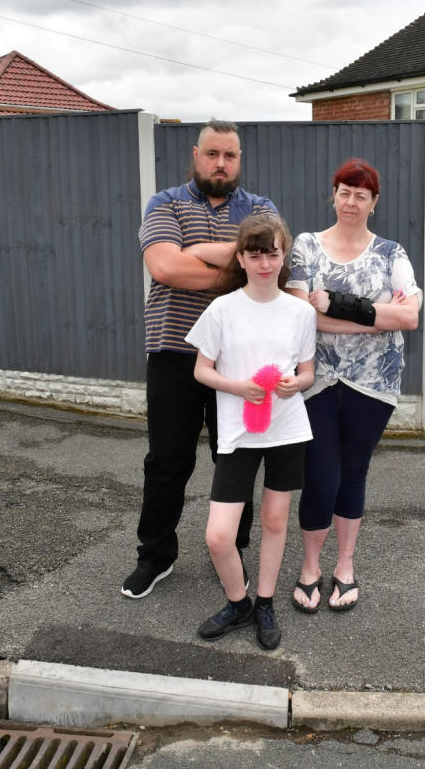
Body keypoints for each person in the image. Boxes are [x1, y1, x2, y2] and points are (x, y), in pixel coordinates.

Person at [123, 120, 278, 600]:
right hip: (174, 352)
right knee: (167, 461)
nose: (220, 164)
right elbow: (165, 266)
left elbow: (269, 266)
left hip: (238, 359)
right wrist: (239, 270)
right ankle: (156, 555)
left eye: (229, 155)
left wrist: (203, 257)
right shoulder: (165, 203)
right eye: (212, 154)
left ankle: (228, 549)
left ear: (239, 159)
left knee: (235, 458)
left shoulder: (260, 209)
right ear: (196, 154)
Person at [286, 158, 421, 613]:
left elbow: (410, 317)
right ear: (333, 194)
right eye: (344, 191)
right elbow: (300, 314)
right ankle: (309, 567)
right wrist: (377, 320)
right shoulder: (306, 245)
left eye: (361, 194)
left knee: (353, 473)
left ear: (373, 202)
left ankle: (344, 566)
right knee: (320, 475)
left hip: (373, 383)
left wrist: (341, 308)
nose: (350, 201)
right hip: (316, 380)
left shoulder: (392, 253)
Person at [185, 213, 316, 649]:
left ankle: (264, 603)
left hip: (287, 430)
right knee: (219, 535)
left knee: (275, 520)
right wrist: (237, 386)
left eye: (273, 253)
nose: (264, 262)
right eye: (255, 253)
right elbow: (202, 370)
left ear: (284, 257)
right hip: (238, 435)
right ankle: (238, 601)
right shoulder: (222, 309)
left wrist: (296, 383)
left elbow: (308, 373)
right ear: (240, 257)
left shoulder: (299, 312)